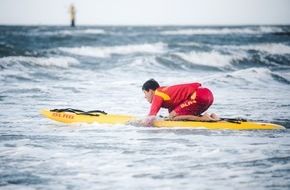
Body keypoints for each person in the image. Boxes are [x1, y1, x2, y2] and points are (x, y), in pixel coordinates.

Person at [142, 79, 219, 126]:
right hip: (208, 95)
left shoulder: (158, 93)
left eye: (145, 93)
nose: (145, 96)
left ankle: (204, 118)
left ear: (151, 91)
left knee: (172, 117)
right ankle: (213, 117)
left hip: (198, 95)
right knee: (176, 116)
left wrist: (139, 124)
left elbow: (151, 117)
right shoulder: (166, 92)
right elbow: (175, 109)